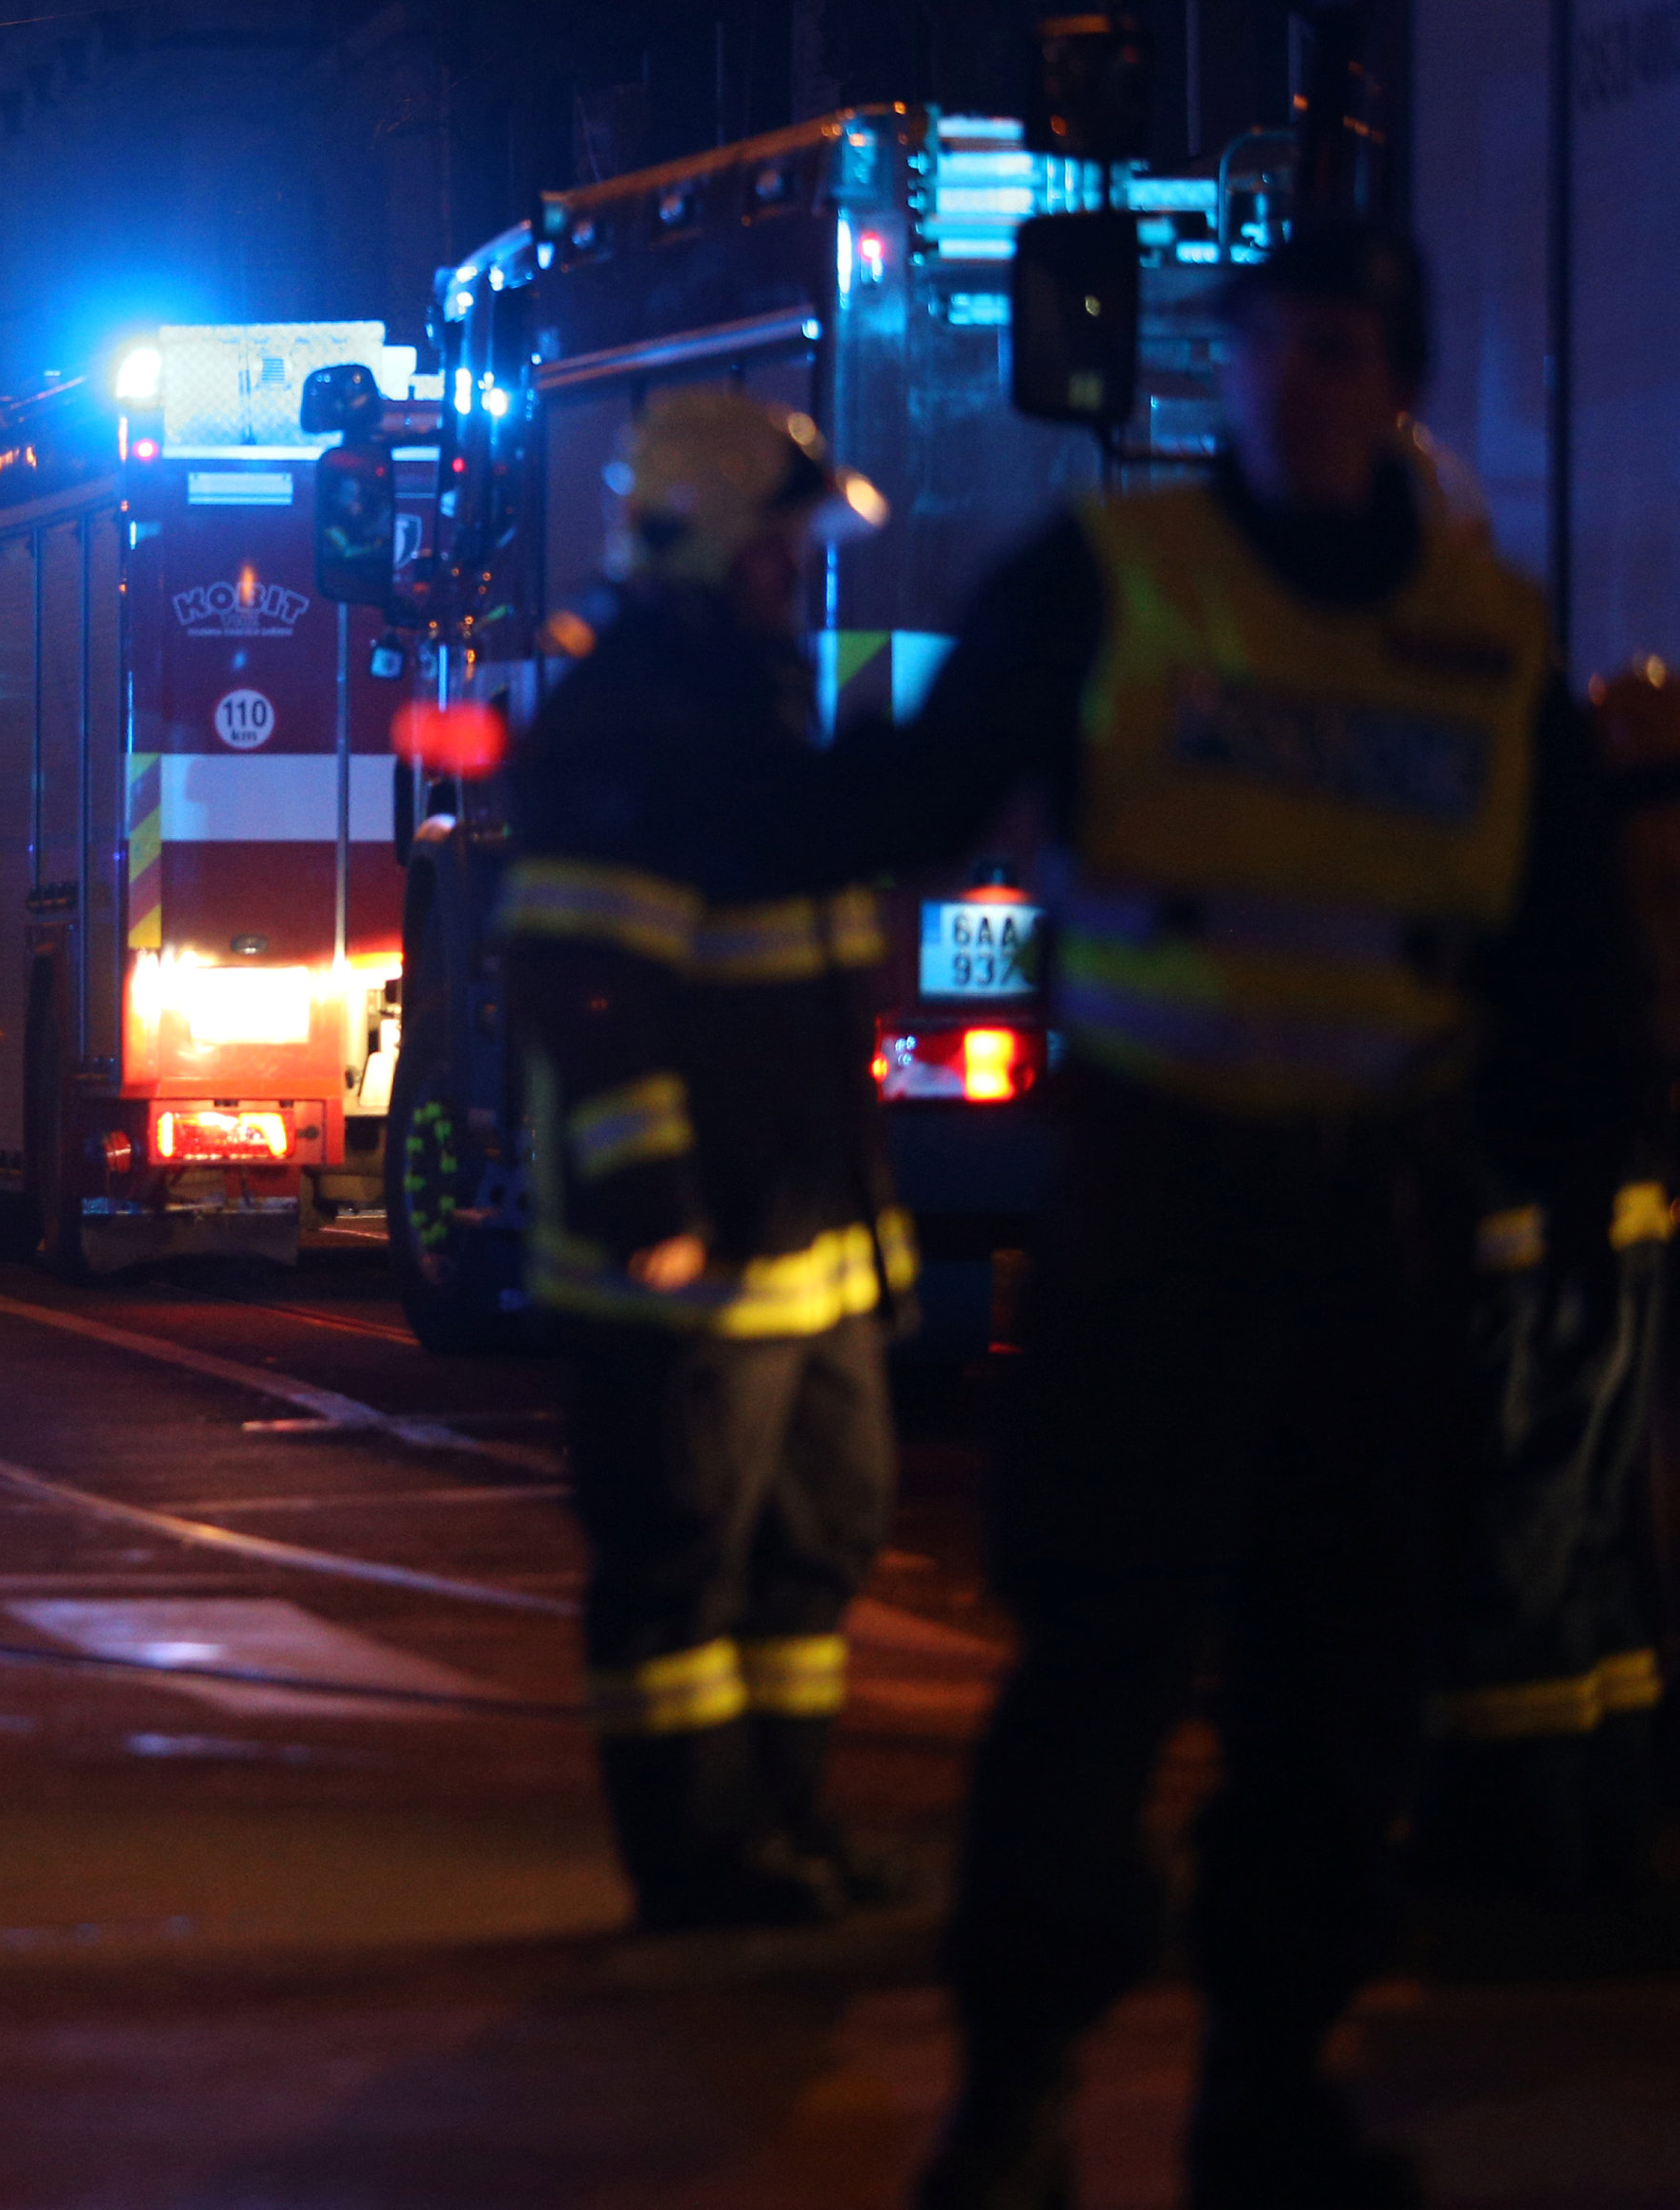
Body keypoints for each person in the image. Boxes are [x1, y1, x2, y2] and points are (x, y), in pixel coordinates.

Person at [765, 223, 1641, 2210]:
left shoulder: (1485, 638)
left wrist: (1574, 1181)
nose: (1294, 383)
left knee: (1339, 1684)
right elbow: (918, 786)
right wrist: (704, 798)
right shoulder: (1113, 582)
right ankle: (1014, 2098)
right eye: (1262, 350)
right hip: (1162, 1194)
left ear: (1387, 378)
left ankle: (1271, 2087)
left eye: (1333, 350)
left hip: (1376, 1219)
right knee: (1104, 1654)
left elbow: (1561, 946)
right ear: (1228, 373)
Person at [495, 387, 906, 1933]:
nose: (802, 573)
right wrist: (649, 1198)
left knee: (815, 1548)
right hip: (681, 1250)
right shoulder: (630, 727)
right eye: (785, 546)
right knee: (679, 1566)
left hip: (803, 1234)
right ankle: (694, 1856)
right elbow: (586, 989)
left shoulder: (753, 703)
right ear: (717, 544)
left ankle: (784, 1825)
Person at [1421, 656, 1677, 1900]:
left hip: (1511, 1213)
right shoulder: (1590, 811)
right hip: (1619, 1208)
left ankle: (1510, 1857)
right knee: (1592, 1542)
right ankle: (1606, 1828)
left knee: (1512, 1540)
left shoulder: (1472, 788)